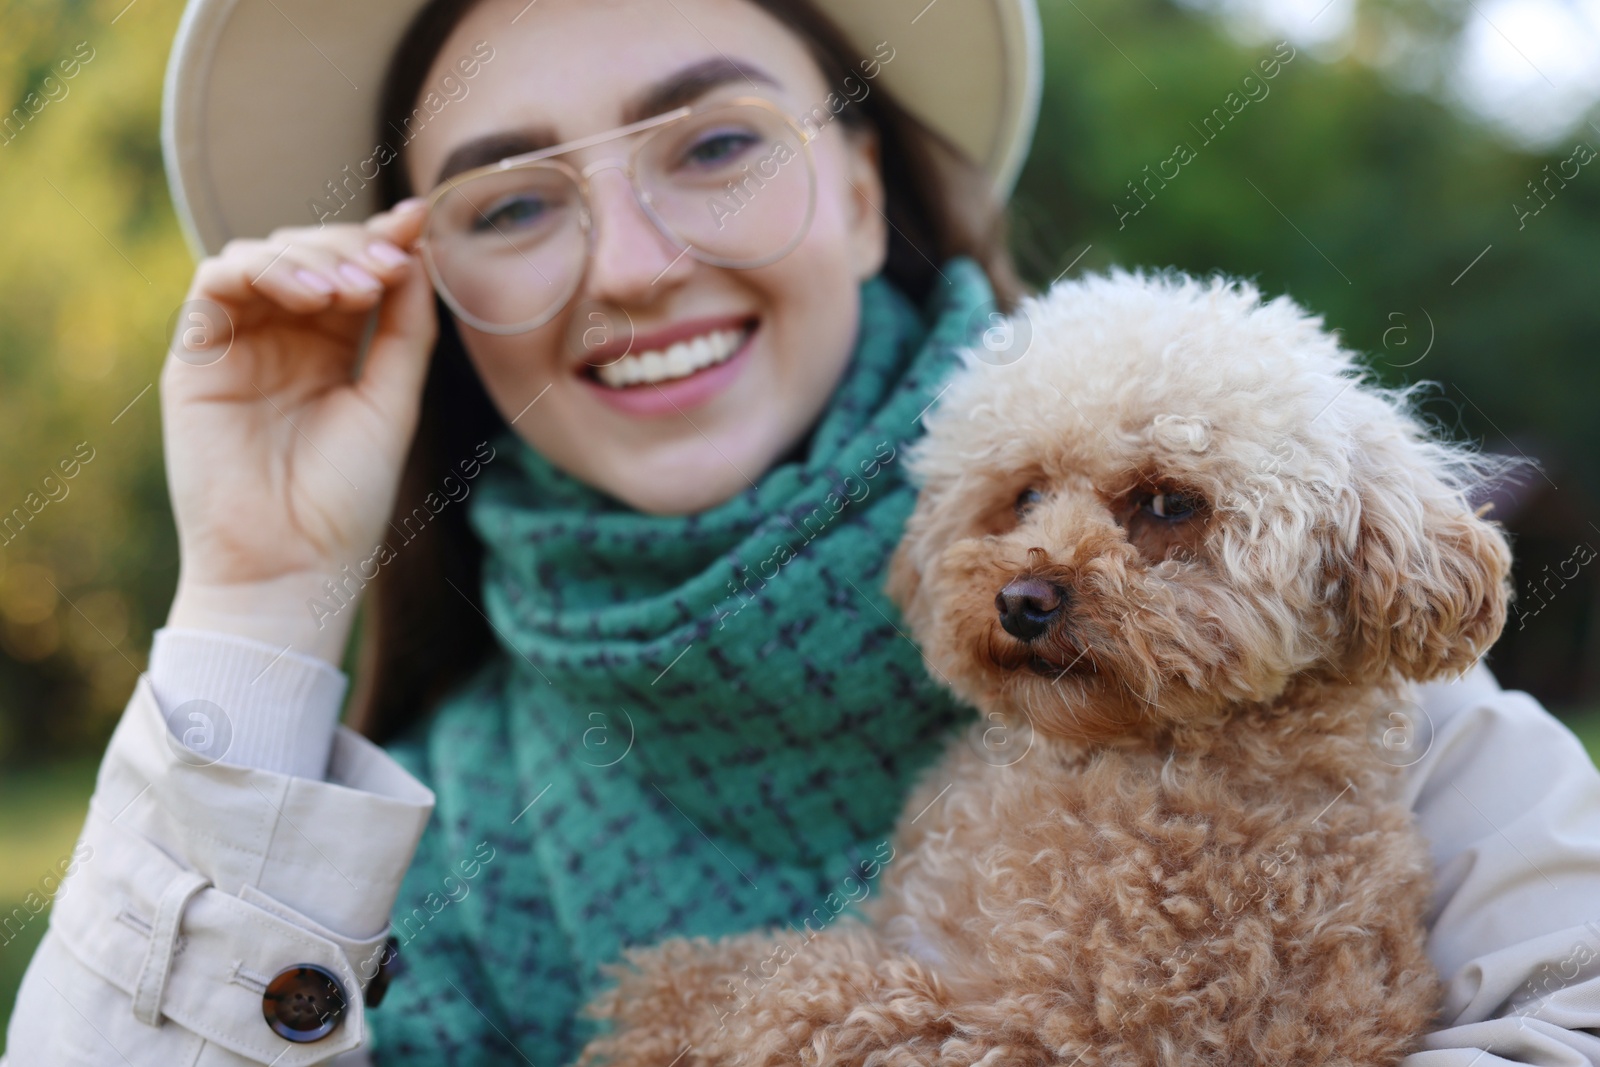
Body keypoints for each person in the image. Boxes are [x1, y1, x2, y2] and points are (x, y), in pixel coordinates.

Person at [6, 0, 1600, 1063]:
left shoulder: (1356, 703)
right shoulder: (425, 845)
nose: (628, 266)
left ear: (853, 185)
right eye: (508, 203)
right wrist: (259, 604)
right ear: (434, 294)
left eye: (711, 145)